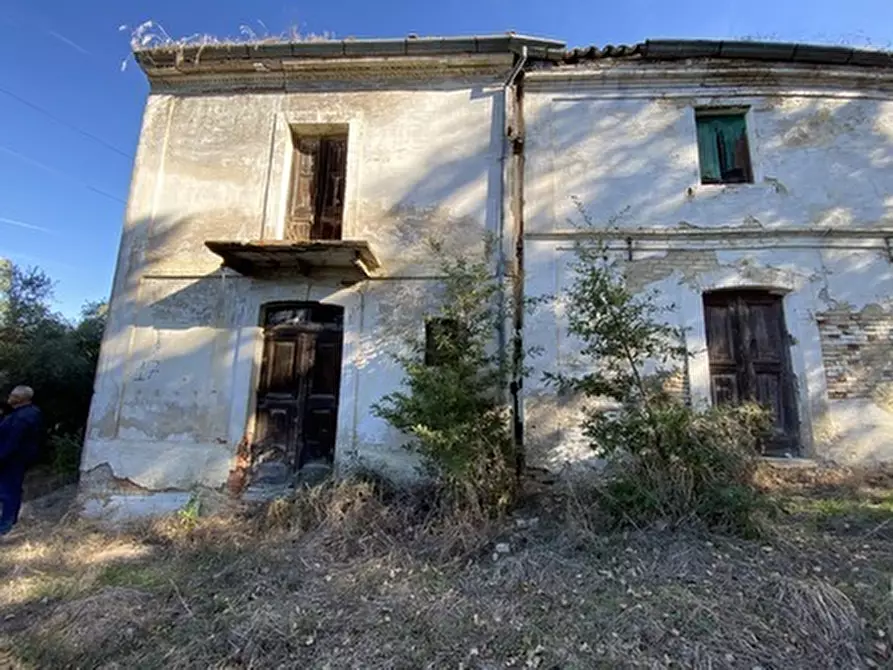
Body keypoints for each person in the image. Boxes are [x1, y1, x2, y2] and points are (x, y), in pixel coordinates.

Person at [0, 386, 43, 535]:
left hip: (12, 459)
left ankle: (6, 526)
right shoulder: (30, 413)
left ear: (20, 399)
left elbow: (12, 442)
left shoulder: (21, 418)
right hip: (16, 458)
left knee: (8, 491)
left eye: (12, 395)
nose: (9, 397)